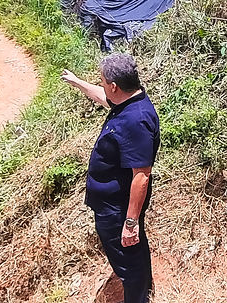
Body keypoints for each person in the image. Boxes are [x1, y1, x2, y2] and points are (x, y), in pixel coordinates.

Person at [61, 54, 159, 303]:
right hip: (114, 203)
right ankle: (142, 283)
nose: (102, 85)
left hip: (118, 209)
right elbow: (102, 96)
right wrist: (77, 82)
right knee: (132, 251)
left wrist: (130, 223)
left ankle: (138, 296)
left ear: (114, 86)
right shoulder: (128, 101)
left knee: (128, 260)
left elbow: (141, 177)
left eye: (103, 81)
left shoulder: (136, 121)